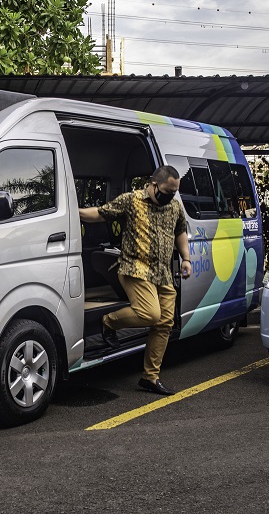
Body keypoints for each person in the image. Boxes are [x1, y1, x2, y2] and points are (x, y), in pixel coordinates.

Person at [79, 165, 191, 396]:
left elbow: (180, 231)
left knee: (165, 324)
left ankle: (150, 377)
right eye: (166, 191)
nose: (169, 196)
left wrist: (186, 258)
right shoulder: (131, 200)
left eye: (174, 193)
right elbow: (101, 213)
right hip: (134, 268)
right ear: (152, 184)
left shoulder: (174, 207)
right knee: (150, 314)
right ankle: (108, 321)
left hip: (162, 273)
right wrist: (73, 212)